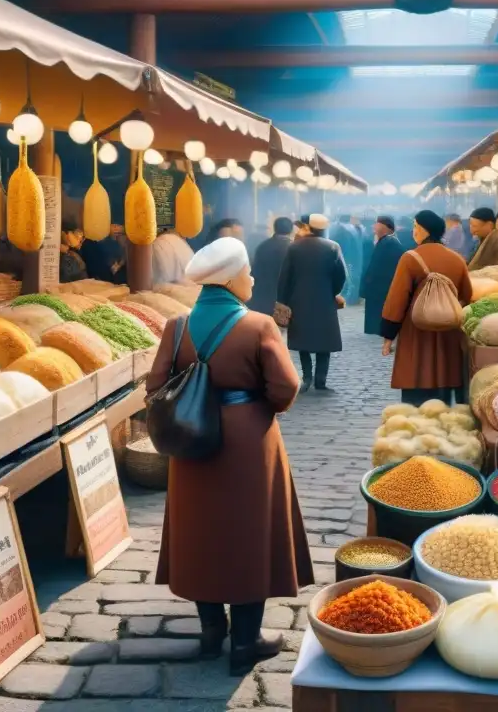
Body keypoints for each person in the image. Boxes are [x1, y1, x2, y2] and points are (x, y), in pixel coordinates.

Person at [147, 237, 313, 676]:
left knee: (200, 530)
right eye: (247, 271)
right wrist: (257, 407)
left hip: (192, 439)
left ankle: (209, 633)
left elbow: (155, 386)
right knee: (249, 533)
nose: (252, 278)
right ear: (231, 278)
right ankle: (246, 641)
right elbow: (286, 387)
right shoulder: (258, 325)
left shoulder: (177, 325)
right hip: (248, 439)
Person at [381, 210, 473, 405]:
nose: (413, 231)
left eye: (415, 226)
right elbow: (467, 295)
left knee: (417, 380)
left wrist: (388, 336)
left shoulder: (410, 258)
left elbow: (396, 300)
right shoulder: (457, 259)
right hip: (449, 332)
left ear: (424, 230)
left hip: (416, 330)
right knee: (444, 382)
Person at [277, 213, 347, 392]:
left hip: (299, 299)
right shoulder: (333, 247)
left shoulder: (294, 247)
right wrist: (333, 292)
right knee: (325, 340)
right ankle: (321, 381)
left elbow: (285, 277)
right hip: (324, 299)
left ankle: (307, 377)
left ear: (309, 227)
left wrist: (283, 300)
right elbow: (341, 275)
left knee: (303, 340)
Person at [361, 215, 404, 336]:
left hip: (383, 283)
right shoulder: (385, 241)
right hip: (378, 283)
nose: (375, 227)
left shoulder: (390, 242)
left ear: (386, 227)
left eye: (378, 224)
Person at [248, 217, 293, 315]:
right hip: (284, 302)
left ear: (275, 228)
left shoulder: (263, 246)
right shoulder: (294, 248)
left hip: (262, 298)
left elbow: (255, 272)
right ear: (291, 230)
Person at [331, 214, 362, 305]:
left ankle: (346, 299)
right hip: (354, 257)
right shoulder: (354, 229)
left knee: (347, 279)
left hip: (346, 257)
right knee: (352, 278)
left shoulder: (341, 229)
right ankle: (352, 299)